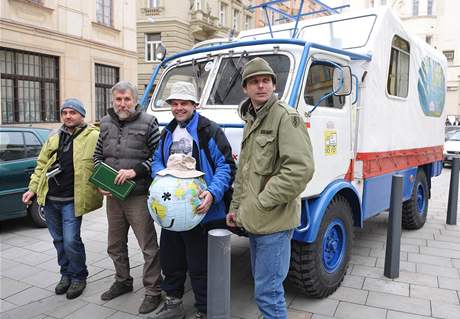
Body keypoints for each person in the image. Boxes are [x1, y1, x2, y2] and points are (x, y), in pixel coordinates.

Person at [226, 57, 314, 319]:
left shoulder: (286, 118)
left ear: (274, 85)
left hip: (274, 221)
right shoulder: (251, 119)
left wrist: (262, 201)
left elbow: (300, 169)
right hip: (254, 219)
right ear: (245, 88)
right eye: (254, 81)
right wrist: (236, 208)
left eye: (266, 81)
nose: (261, 86)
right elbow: (245, 172)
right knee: (264, 287)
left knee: (269, 292)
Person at [150, 81, 236, 319]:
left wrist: (213, 193)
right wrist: (160, 177)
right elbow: (156, 159)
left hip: (203, 211)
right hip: (173, 211)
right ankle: (173, 304)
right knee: (171, 259)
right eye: (174, 104)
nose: (178, 108)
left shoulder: (209, 130)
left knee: (200, 265)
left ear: (194, 104)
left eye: (184, 103)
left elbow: (226, 166)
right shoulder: (167, 132)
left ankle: (205, 310)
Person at [93, 81, 162, 314]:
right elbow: (97, 156)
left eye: (127, 99)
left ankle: (153, 291)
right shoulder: (104, 122)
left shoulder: (149, 122)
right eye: (118, 100)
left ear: (135, 100)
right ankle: (123, 280)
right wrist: (100, 182)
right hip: (113, 196)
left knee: (148, 246)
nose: (123, 104)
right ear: (113, 101)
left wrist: (136, 171)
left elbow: (159, 158)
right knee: (115, 244)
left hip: (139, 196)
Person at [22, 98, 103, 299]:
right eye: (64, 112)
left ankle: (78, 277)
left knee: (70, 240)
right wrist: (32, 189)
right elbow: (41, 165)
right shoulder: (55, 136)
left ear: (81, 115)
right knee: (59, 241)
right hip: (50, 199)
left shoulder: (93, 136)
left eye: (72, 112)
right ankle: (65, 275)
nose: (68, 116)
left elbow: (103, 162)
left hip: (72, 200)